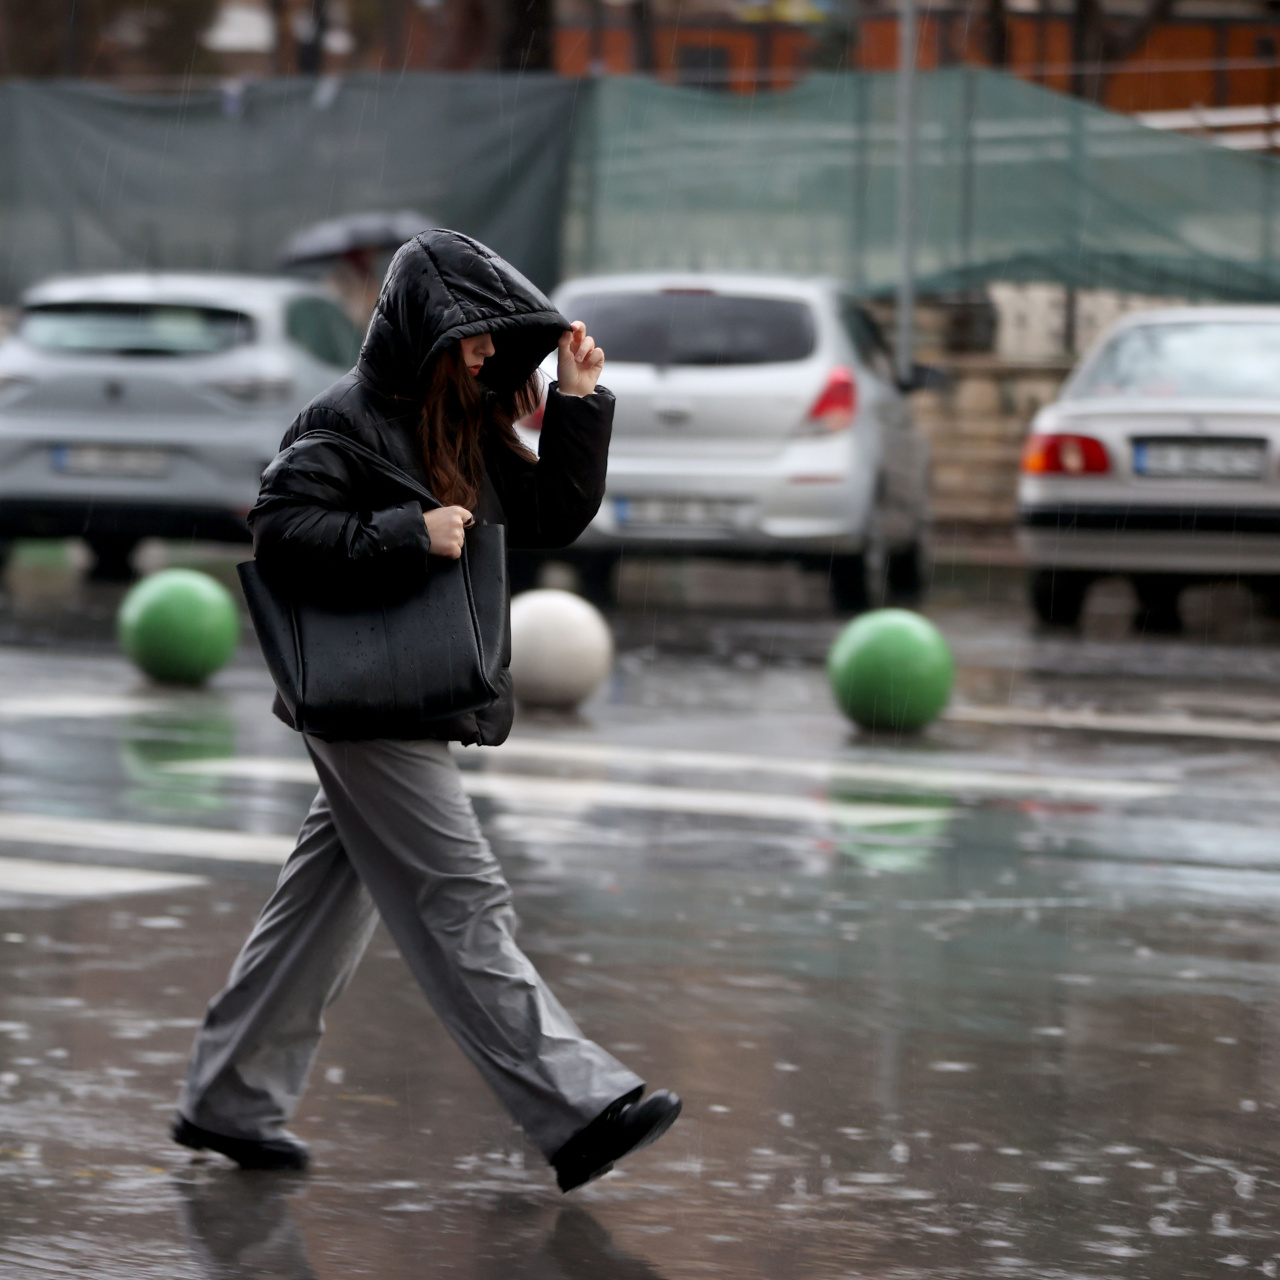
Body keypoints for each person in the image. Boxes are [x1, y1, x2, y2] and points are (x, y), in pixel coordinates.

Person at [171, 230, 681, 1193]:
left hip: (403, 685)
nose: (489, 353)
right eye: (475, 337)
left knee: (323, 907)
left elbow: (547, 516)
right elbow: (281, 532)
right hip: (365, 695)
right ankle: (574, 1105)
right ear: (426, 331)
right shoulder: (345, 419)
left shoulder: (458, 423)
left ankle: (230, 1097)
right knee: (460, 893)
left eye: (496, 339)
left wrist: (576, 400)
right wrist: (407, 532)